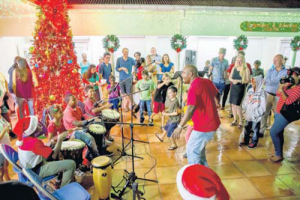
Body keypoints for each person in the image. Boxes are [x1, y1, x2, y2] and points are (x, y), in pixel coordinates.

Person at [172, 65, 220, 166]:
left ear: (191, 74)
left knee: (191, 151)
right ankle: (205, 174)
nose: (182, 75)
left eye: (184, 73)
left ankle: (197, 178)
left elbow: (190, 108)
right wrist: (217, 103)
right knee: (199, 152)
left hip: (205, 126)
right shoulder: (206, 81)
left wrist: (180, 126)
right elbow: (217, 93)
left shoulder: (193, 87)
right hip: (211, 122)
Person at [15, 116, 76, 187]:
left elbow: (37, 148)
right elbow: (53, 156)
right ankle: (64, 190)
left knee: (52, 150)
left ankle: (59, 180)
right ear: (33, 129)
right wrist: (60, 139)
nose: (40, 125)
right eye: (37, 124)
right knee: (71, 164)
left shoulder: (24, 139)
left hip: (31, 168)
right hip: (37, 171)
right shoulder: (35, 143)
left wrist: (47, 145)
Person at [269, 67, 300, 162]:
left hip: (287, 113)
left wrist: (282, 90)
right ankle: (278, 154)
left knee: (273, 132)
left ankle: (278, 154)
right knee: (279, 132)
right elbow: (278, 94)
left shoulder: (299, 88)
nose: (291, 76)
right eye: (290, 74)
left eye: (293, 75)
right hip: (279, 110)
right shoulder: (290, 84)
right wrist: (281, 86)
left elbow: (288, 101)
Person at [260, 54, 287, 136]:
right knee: (264, 113)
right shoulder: (270, 70)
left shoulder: (285, 71)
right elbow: (268, 80)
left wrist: (269, 81)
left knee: (277, 115)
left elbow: (277, 80)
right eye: (273, 60)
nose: (274, 62)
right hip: (267, 94)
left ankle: (275, 132)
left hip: (278, 96)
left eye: (276, 60)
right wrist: (272, 80)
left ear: (282, 61)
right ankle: (261, 131)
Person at [240, 75, 266, 149]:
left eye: (255, 82)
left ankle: (254, 142)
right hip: (248, 114)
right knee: (246, 127)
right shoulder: (250, 90)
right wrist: (244, 109)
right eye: (253, 82)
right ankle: (246, 140)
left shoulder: (262, 93)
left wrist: (257, 114)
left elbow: (263, 106)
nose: (253, 84)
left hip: (256, 115)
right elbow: (245, 100)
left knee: (255, 129)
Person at [228, 55, 250, 129]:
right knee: (233, 105)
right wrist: (233, 80)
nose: (239, 62)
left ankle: (241, 121)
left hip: (240, 88)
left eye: (240, 61)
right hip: (233, 87)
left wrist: (239, 81)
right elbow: (230, 77)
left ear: (243, 61)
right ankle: (235, 119)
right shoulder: (234, 68)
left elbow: (248, 80)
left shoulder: (246, 69)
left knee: (237, 105)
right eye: (238, 61)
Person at [0, 104, 11, 183]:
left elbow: (7, 125)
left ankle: (8, 182)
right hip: (1, 150)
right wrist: (4, 131)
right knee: (1, 171)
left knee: (6, 167)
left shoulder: (1, 118)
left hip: (5, 147)